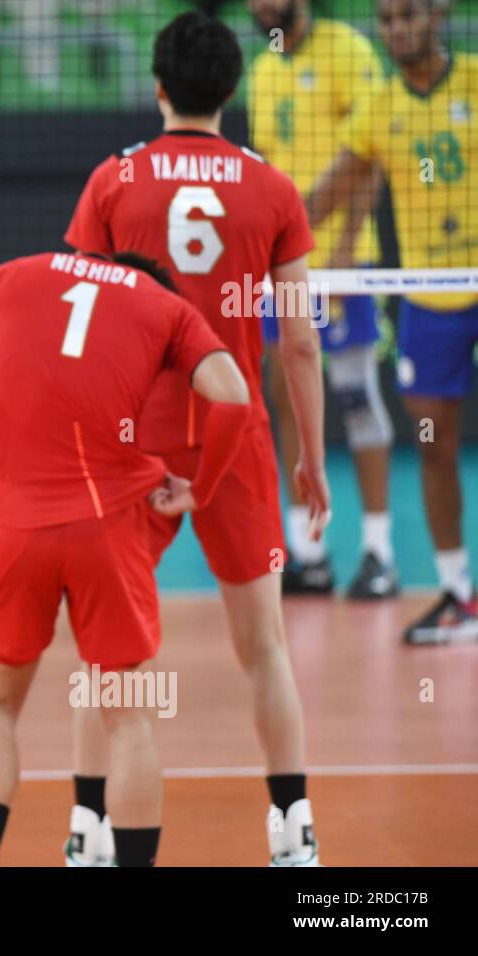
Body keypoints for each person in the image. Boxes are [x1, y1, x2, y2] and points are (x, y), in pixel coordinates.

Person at [63, 11, 330, 866]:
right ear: (234, 89)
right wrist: (310, 456)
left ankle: (89, 825)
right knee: (265, 646)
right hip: (235, 431)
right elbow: (298, 336)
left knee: (108, 646)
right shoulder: (273, 188)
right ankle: (293, 827)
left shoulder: (113, 180)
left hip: (132, 438)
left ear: (157, 85)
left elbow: (84, 324)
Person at [0, 250, 251, 867]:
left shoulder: (6, 277)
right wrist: (201, 489)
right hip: (107, 530)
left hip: (13, 528)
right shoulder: (167, 305)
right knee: (128, 720)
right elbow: (235, 399)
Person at [308, 0, 478, 644]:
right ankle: (460, 593)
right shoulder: (381, 104)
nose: (396, 28)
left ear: (437, 14)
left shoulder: (475, 81)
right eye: (384, 20)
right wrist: (258, 232)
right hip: (428, 300)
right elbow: (323, 197)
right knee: (434, 445)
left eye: (407, 15)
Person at [247, 0, 396, 598]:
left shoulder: (349, 52)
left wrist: (346, 248)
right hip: (282, 267)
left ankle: (379, 552)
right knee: (285, 395)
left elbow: (373, 157)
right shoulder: (261, 69)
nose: (262, 5)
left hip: (343, 261)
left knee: (356, 394)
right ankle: (307, 552)